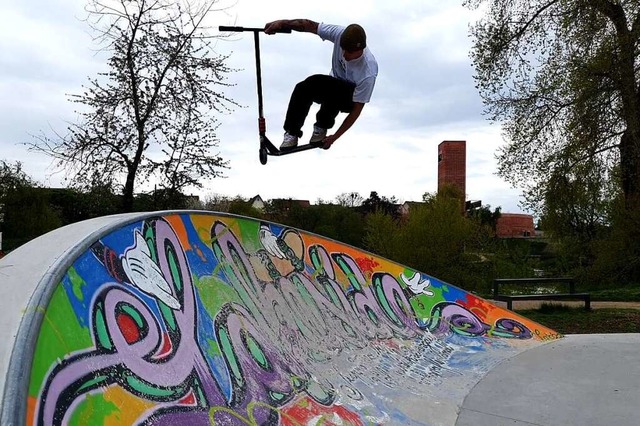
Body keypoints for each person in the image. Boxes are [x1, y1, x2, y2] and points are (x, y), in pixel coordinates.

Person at [264, 19, 378, 150]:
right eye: (343, 49)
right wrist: (283, 23)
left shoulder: (368, 72)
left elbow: (356, 110)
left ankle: (321, 127)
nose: (345, 55)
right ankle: (292, 133)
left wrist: (334, 137)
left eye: (350, 53)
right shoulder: (339, 33)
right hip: (332, 87)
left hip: (349, 100)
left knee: (337, 88)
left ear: (361, 50)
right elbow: (309, 26)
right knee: (305, 87)